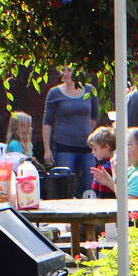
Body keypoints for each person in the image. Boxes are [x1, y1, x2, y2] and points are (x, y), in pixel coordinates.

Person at [42, 66, 99, 194]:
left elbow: (94, 116)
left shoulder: (90, 90)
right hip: (64, 147)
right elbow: (47, 122)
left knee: (89, 188)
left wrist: (86, 132)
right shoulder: (54, 92)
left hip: (87, 148)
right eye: (63, 70)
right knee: (64, 187)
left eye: (69, 70)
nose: (66, 73)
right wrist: (47, 149)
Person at [93, 127, 138, 199]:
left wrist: (115, 175)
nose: (123, 149)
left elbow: (126, 205)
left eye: (128, 145)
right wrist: (108, 182)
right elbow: (124, 194)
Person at [87, 126, 116, 198]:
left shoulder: (107, 167)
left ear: (107, 146)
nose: (92, 152)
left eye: (95, 149)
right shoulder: (102, 165)